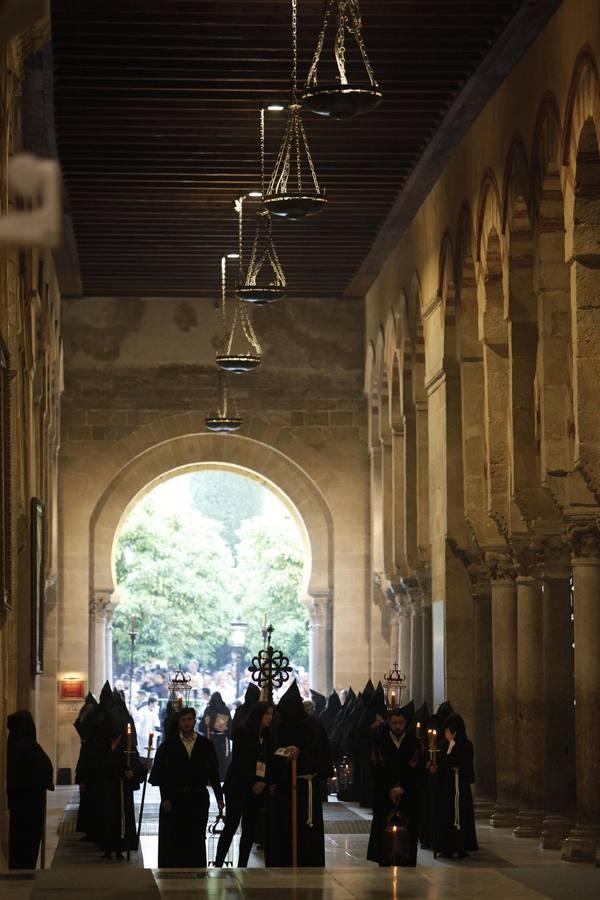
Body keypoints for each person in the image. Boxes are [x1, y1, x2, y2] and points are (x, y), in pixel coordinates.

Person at [149, 706, 224, 867]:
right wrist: (165, 798)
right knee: (176, 836)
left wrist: (219, 797)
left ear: (194, 721)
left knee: (197, 836)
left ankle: (196, 869)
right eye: (183, 720)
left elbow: (213, 773)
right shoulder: (169, 746)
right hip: (176, 798)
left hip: (198, 797)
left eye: (189, 719)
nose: (186, 723)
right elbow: (164, 776)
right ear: (178, 722)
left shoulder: (205, 744)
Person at [266, 680, 327, 867]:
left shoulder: (314, 727)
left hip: (306, 786)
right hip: (285, 787)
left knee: (306, 828)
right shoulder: (279, 726)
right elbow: (271, 754)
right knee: (285, 827)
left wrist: (301, 754)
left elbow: (322, 756)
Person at [215, 701, 274, 867]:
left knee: (249, 829)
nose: (270, 717)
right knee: (231, 826)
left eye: (271, 714)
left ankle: (242, 866)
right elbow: (241, 762)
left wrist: (263, 782)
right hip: (239, 786)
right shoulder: (244, 732)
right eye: (267, 714)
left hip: (257, 788)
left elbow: (268, 761)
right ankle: (219, 863)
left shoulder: (268, 736)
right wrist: (254, 782)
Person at [367, 707, 422, 867]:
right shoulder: (380, 741)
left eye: (401, 723)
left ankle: (406, 859)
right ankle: (385, 859)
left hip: (407, 793)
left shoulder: (413, 742)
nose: (398, 726)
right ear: (389, 723)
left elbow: (416, 769)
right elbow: (376, 768)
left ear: (406, 723)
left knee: (409, 828)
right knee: (383, 828)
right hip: (384, 793)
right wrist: (389, 789)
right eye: (394, 723)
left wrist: (402, 787)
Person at [6, 711, 54, 869]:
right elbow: (45, 767)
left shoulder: (13, 742)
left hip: (17, 798)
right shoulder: (28, 745)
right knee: (28, 838)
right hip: (30, 800)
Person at [429, 713, 478, 859]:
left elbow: (462, 762)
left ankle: (462, 846)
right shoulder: (442, 745)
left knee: (462, 815)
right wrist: (433, 767)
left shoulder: (466, 745)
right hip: (446, 787)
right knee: (446, 815)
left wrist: (452, 747)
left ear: (455, 731)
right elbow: (439, 762)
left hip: (460, 786)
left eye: (448, 730)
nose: (446, 733)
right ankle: (446, 847)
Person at [203, 691, 232, 781]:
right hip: (212, 737)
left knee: (220, 758)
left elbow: (224, 726)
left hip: (220, 738)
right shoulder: (210, 709)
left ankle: (219, 777)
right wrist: (206, 723)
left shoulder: (223, 710)